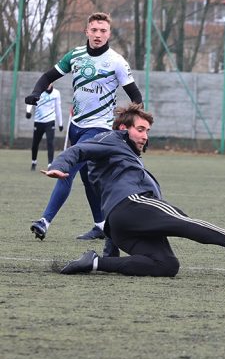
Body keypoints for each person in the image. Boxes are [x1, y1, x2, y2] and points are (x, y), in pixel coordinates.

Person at [42, 104, 225, 276]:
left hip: (120, 225)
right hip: (133, 204)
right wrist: (58, 165)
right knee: (181, 220)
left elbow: (105, 194)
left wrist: (110, 249)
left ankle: (95, 264)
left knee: (165, 265)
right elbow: (78, 150)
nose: (146, 136)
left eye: (147, 131)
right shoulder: (111, 139)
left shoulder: (115, 157)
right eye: (141, 129)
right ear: (123, 129)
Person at [25, 12, 143, 243]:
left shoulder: (116, 61)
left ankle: (44, 221)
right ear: (86, 31)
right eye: (94, 30)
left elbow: (135, 96)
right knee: (89, 178)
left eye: (103, 31)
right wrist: (36, 93)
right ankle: (101, 225)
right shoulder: (75, 55)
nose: (98, 35)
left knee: (66, 171)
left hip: (98, 129)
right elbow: (48, 75)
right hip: (75, 125)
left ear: (109, 33)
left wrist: (132, 125)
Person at [26, 84, 63, 171]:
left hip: (50, 121)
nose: (48, 84)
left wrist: (60, 123)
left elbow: (58, 108)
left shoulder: (56, 93)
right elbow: (30, 100)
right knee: (35, 143)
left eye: (50, 82)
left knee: (50, 143)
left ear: (52, 83)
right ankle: (34, 162)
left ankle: (50, 164)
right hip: (38, 121)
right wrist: (28, 111)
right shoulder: (39, 91)